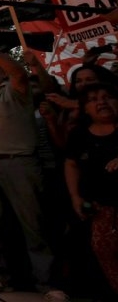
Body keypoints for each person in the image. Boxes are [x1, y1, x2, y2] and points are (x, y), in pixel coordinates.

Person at [0, 36, 67, 301]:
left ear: (2, 70)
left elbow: (19, 72)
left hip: (19, 163)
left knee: (32, 223)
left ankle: (48, 282)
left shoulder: (15, 90)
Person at [64, 83, 118, 296]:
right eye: (93, 99)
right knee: (105, 255)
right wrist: (75, 196)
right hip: (99, 209)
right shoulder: (79, 135)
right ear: (85, 108)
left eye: (107, 96)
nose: (102, 102)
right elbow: (71, 163)